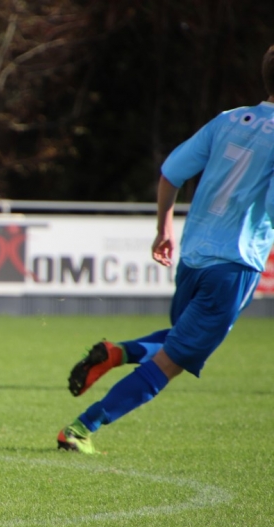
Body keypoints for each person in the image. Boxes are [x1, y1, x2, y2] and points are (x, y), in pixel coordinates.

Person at [58, 44, 274, 454]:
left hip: (193, 259)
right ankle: (81, 428)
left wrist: (164, 229)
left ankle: (117, 353)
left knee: (179, 339)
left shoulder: (228, 120)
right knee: (172, 361)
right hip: (234, 266)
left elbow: (171, 172)